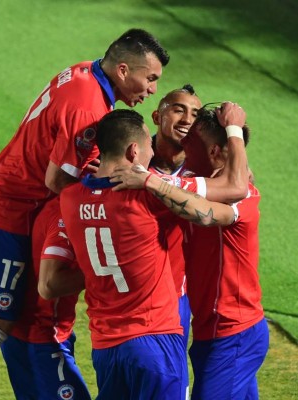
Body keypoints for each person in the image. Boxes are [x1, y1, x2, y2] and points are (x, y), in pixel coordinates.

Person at [0, 28, 169, 399]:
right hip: (6, 212)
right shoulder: (89, 105)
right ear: (123, 70)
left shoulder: (82, 73)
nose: (152, 89)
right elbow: (57, 179)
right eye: (150, 78)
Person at [59, 104, 247, 400]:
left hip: (106, 345)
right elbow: (235, 188)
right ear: (134, 151)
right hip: (154, 339)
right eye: (149, 147)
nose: (152, 155)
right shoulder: (148, 194)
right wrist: (234, 130)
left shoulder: (70, 198)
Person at [111, 106, 269, 400]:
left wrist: (149, 180)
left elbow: (206, 215)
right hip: (213, 330)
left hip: (234, 332)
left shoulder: (241, 193)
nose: (183, 144)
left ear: (214, 153)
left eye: (191, 141)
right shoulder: (200, 182)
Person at [1, 197, 91, 400]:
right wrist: (104, 270)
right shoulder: (64, 212)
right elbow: (50, 284)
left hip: (23, 331)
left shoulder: (42, 202)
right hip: (43, 336)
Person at [148, 84, 202, 397]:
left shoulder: (203, 172)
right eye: (178, 109)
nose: (186, 119)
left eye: (195, 114)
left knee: (173, 386)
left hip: (175, 296)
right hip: (128, 296)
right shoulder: (132, 157)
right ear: (157, 115)